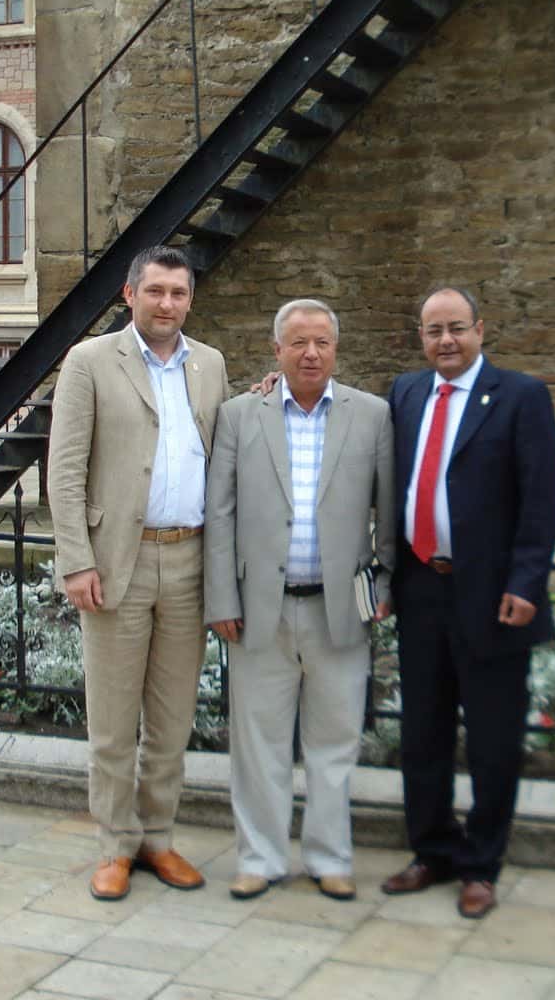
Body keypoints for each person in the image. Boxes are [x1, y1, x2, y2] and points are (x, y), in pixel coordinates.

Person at [46, 244, 230, 901]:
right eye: (155, 291)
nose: (167, 304)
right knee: (113, 723)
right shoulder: (91, 362)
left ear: (190, 299)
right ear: (130, 295)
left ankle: (158, 838)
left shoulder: (209, 365)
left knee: (172, 720)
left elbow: (225, 448)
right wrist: (77, 561)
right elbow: (65, 470)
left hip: (189, 560)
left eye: (178, 293)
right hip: (116, 563)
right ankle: (115, 845)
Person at [379, 286, 555, 919]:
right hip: (422, 588)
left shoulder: (521, 397)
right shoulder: (405, 394)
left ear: (480, 329)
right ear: (421, 337)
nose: (446, 341)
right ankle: (432, 850)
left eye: (457, 328)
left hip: (493, 596)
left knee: (492, 737)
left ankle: (481, 864)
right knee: (423, 732)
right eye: (434, 330)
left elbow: (541, 498)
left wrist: (526, 584)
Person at [204, 299, 394, 902]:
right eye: (298, 343)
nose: (311, 353)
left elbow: (388, 514)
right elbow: (219, 512)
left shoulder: (372, 416)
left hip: (341, 610)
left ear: (336, 349)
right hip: (259, 608)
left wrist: (385, 585)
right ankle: (259, 858)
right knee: (257, 744)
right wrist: (221, 597)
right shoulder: (239, 415)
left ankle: (330, 857)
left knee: (335, 742)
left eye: (322, 343)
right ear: (277, 350)